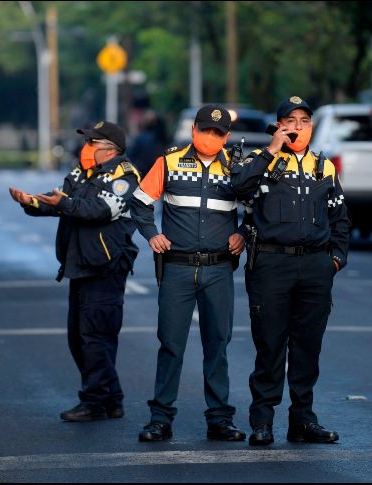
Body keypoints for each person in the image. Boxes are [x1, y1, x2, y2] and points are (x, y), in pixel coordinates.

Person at [230, 96, 350, 446]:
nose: (297, 126)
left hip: (315, 265)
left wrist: (335, 261)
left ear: (312, 127)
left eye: (304, 121)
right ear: (279, 124)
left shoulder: (324, 167)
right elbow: (238, 189)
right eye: (290, 120)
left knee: (307, 347)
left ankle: (302, 421)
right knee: (269, 346)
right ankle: (262, 421)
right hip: (271, 263)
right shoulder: (260, 159)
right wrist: (271, 149)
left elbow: (340, 219)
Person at [8, 121, 141, 422]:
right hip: (79, 263)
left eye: (91, 143)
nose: (86, 148)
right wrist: (30, 201)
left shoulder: (125, 176)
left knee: (96, 337)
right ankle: (112, 398)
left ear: (109, 149)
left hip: (105, 266)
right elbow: (60, 199)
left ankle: (94, 401)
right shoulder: (82, 172)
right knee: (79, 338)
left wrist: (65, 202)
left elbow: (100, 210)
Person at [129, 105, 246, 442]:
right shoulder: (169, 161)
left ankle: (220, 419)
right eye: (205, 130)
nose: (210, 137)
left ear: (226, 136)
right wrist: (152, 234)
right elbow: (140, 201)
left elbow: (257, 209)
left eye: (217, 133)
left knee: (218, 345)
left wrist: (243, 233)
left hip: (219, 267)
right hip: (177, 267)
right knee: (170, 344)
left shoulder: (236, 167)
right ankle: (160, 419)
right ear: (194, 129)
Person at [128, 110, 168, 178]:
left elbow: (131, 156)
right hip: (156, 173)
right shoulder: (161, 138)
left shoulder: (141, 138)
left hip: (143, 172)